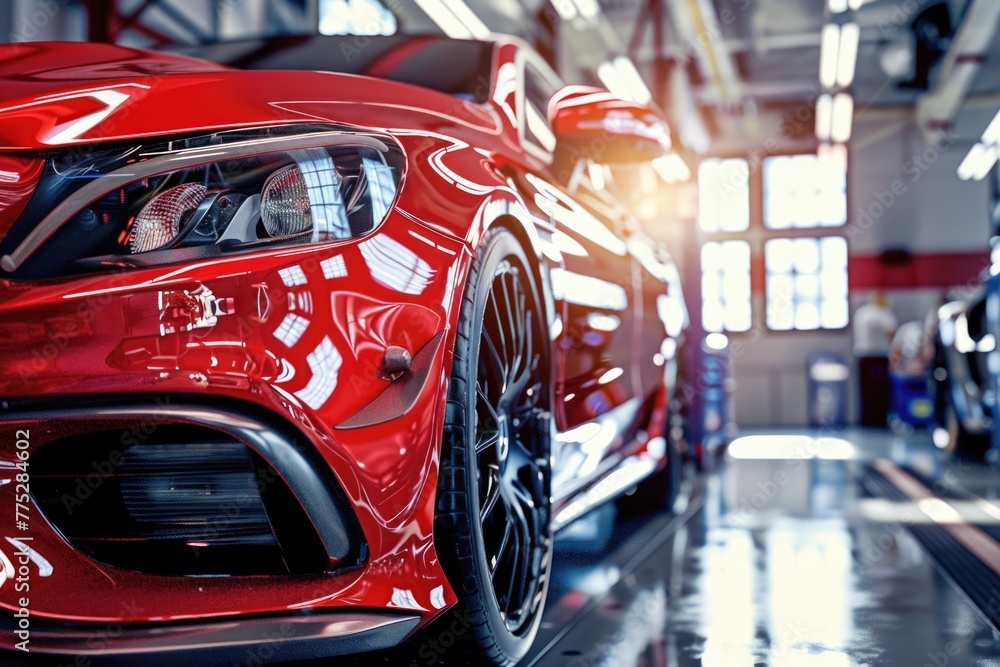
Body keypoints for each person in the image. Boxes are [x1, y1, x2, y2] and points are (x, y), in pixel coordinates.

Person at [854, 293, 897, 426]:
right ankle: (879, 420)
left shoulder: (861, 312)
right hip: (878, 357)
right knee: (879, 391)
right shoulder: (883, 313)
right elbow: (891, 333)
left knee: (867, 390)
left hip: (863, 358)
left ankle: (867, 419)